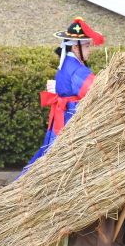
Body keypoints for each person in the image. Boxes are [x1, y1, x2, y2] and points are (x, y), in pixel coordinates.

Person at [17, 18, 103, 178]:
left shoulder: (67, 64)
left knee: (52, 156)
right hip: (71, 117)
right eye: (87, 45)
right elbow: (96, 92)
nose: (90, 49)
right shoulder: (77, 70)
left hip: (63, 115)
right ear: (75, 47)